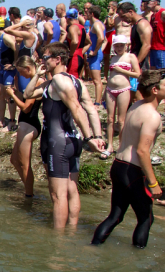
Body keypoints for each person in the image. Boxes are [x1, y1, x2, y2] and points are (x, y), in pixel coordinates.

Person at [23, 43, 105, 229]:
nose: (41, 60)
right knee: (71, 190)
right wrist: (97, 135)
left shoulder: (59, 81)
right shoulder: (74, 81)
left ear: (57, 59)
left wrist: (90, 139)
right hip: (71, 140)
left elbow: (77, 108)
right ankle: (72, 231)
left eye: (45, 57)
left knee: (57, 195)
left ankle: (58, 243)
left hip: (57, 143)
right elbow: (28, 93)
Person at [92, 70, 163, 248]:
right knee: (146, 218)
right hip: (133, 171)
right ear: (155, 89)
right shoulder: (153, 116)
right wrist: (153, 184)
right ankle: (138, 261)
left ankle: (93, 247)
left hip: (118, 165)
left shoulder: (136, 106)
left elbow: (124, 134)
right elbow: (142, 151)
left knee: (115, 216)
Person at [8, 56, 44, 197]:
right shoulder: (32, 81)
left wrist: (12, 95)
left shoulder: (38, 82)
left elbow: (26, 108)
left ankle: (29, 195)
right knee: (14, 160)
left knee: (24, 163)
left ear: (28, 68)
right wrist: (16, 91)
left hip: (29, 124)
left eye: (21, 72)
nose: (21, 75)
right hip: (25, 124)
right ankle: (27, 187)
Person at [102, 35, 141, 159]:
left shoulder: (131, 57)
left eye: (121, 45)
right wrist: (104, 91)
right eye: (117, 45)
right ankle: (110, 146)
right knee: (109, 119)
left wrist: (122, 70)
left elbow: (137, 74)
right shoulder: (113, 58)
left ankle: (121, 146)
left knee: (121, 120)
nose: (119, 48)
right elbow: (109, 75)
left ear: (126, 46)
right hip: (110, 89)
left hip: (123, 89)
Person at [117, 2, 153, 102]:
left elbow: (146, 45)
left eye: (123, 16)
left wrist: (136, 64)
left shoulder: (142, 24)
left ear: (130, 12)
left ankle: (143, 116)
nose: (122, 20)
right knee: (132, 94)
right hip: (137, 62)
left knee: (138, 94)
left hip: (141, 64)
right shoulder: (136, 25)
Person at [86, 6, 107, 106]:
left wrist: (95, 51)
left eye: (87, 13)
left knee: (97, 80)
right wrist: (100, 50)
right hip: (96, 55)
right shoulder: (97, 24)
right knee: (95, 80)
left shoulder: (97, 24)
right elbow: (105, 40)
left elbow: (101, 38)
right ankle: (98, 101)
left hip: (95, 56)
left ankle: (98, 102)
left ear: (92, 14)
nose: (86, 14)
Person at [65, 8, 91, 79]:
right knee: (76, 81)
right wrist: (81, 52)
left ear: (68, 18)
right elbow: (89, 42)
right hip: (80, 57)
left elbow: (75, 41)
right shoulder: (82, 27)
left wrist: (71, 54)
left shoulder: (72, 27)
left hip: (74, 58)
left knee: (71, 81)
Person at [147, 0, 165, 69]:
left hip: (161, 48)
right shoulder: (152, 16)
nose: (147, 4)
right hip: (153, 47)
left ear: (155, 3)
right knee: (154, 72)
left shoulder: (163, 12)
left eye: (149, 2)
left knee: (161, 71)